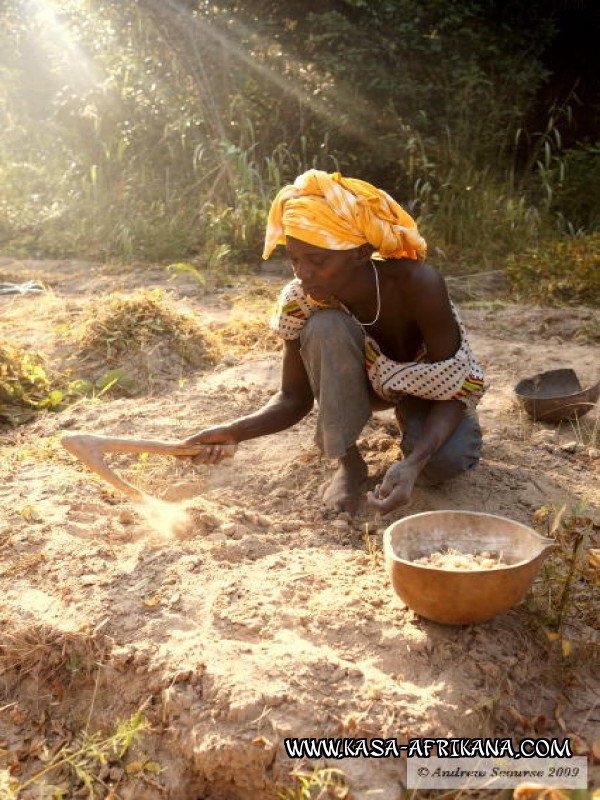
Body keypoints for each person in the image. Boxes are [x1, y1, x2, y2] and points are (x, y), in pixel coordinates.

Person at [183, 170, 485, 515]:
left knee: (444, 464)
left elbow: (456, 389)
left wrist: (414, 463)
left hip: (433, 393)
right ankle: (348, 462)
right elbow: (294, 399)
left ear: (359, 254)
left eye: (317, 260)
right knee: (324, 325)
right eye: (295, 259)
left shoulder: (417, 284)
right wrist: (233, 431)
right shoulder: (301, 299)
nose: (303, 273)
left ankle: (412, 422)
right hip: (366, 388)